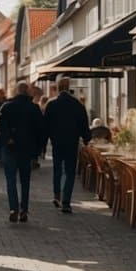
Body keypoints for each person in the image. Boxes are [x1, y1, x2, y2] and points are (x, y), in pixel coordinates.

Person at [0, 81, 46, 223]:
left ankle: (13, 209)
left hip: (10, 147)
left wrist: (8, 137)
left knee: (10, 179)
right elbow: (41, 129)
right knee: (25, 180)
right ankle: (24, 209)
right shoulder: (34, 108)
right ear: (28, 92)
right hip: (27, 149)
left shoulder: (7, 107)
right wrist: (38, 150)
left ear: (17, 92)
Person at [44, 76, 91, 213]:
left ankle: (56, 195)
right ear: (69, 87)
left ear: (58, 88)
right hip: (72, 142)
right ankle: (66, 201)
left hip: (57, 142)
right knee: (70, 172)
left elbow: (46, 125)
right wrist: (86, 138)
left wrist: (44, 141)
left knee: (57, 169)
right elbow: (84, 125)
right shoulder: (77, 105)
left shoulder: (52, 105)